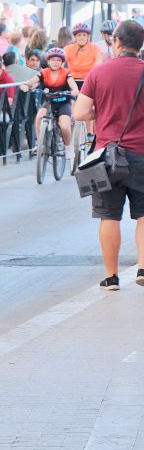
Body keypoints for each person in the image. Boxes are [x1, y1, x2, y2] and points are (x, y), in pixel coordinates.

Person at [73, 20, 144, 290]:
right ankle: (143, 268)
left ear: (117, 41)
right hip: (142, 154)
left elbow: (80, 113)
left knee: (109, 215)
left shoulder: (99, 72)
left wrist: (101, 112)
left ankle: (112, 277)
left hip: (108, 156)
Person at [19, 47, 79, 164]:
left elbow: (72, 84)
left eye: (58, 60)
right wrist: (26, 85)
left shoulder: (66, 73)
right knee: (39, 117)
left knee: (64, 125)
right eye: (53, 60)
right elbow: (32, 81)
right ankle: (40, 143)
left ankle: (68, 146)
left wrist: (75, 90)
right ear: (48, 61)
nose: (55, 62)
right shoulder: (44, 72)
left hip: (63, 102)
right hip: (49, 102)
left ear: (62, 62)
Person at [64, 22, 104, 88]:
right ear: (75, 37)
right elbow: (60, 65)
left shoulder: (95, 48)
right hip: (72, 82)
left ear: (88, 36)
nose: (81, 37)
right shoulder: (68, 49)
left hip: (90, 81)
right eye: (79, 35)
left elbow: (98, 67)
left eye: (84, 35)